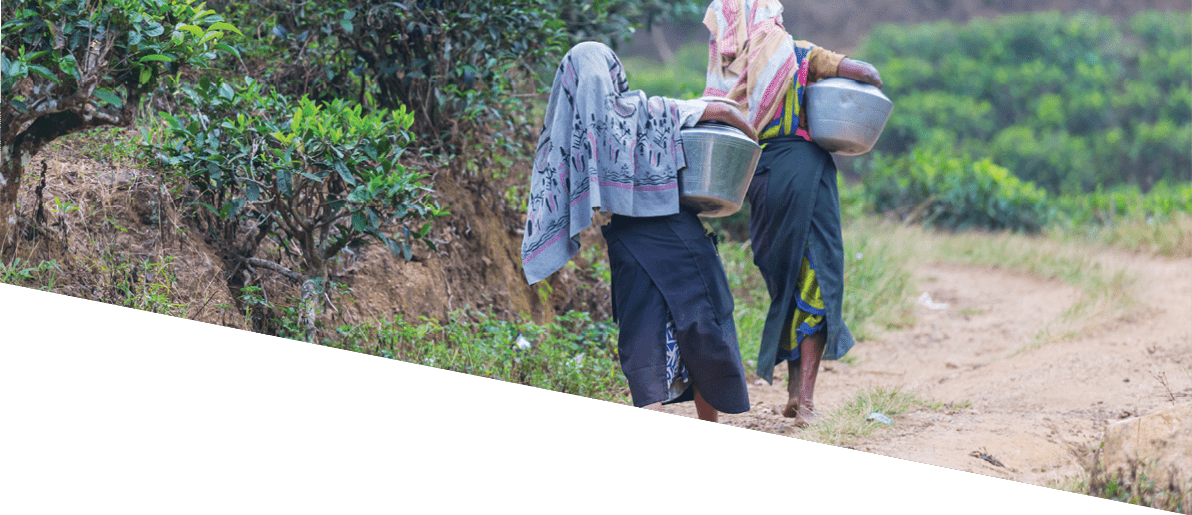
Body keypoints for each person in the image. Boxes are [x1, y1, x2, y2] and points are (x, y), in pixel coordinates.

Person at [521, 42, 758, 422]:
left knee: (642, 336)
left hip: (627, 239)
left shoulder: (573, 138)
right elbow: (724, 113)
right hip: (673, 230)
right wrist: (751, 141)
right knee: (704, 325)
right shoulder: (639, 111)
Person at [702, 0, 885, 427]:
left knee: (785, 282)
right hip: (805, 172)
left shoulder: (725, 75)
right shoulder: (798, 53)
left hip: (758, 177)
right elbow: (866, 74)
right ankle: (804, 401)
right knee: (818, 277)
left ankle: (792, 392)